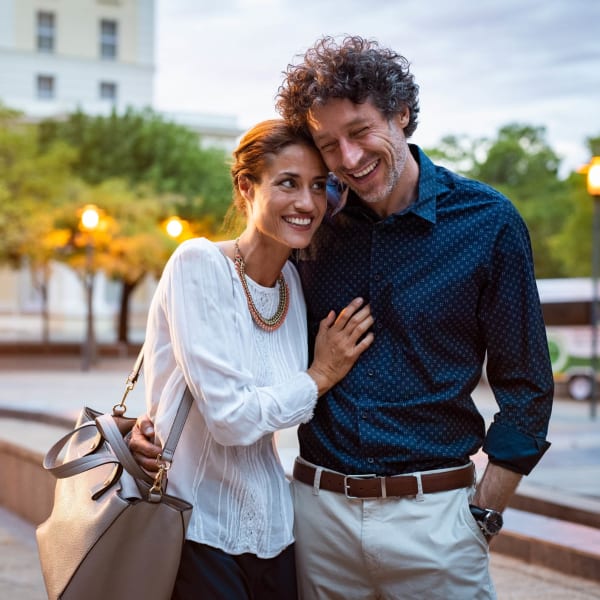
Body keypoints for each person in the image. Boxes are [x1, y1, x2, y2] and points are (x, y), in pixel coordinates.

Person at [132, 36, 554, 599]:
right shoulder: (310, 227)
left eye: (360, 132)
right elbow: (218, 326)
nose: (349, 159)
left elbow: (527, 388)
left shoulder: (487, 222)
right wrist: (152, 419)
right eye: (329, 145)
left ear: (401, 114)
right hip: (314, 519)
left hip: (436, 521)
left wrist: (483, 516)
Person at [138, 118, 374, 600]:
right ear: (247, 188)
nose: (307, 203)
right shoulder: (198, 265)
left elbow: (258, 411)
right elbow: (230, 420)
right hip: (197, 530)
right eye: (288, 183)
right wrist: (320, 376)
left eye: (318, 186)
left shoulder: (292, 284)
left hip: (276, 534)